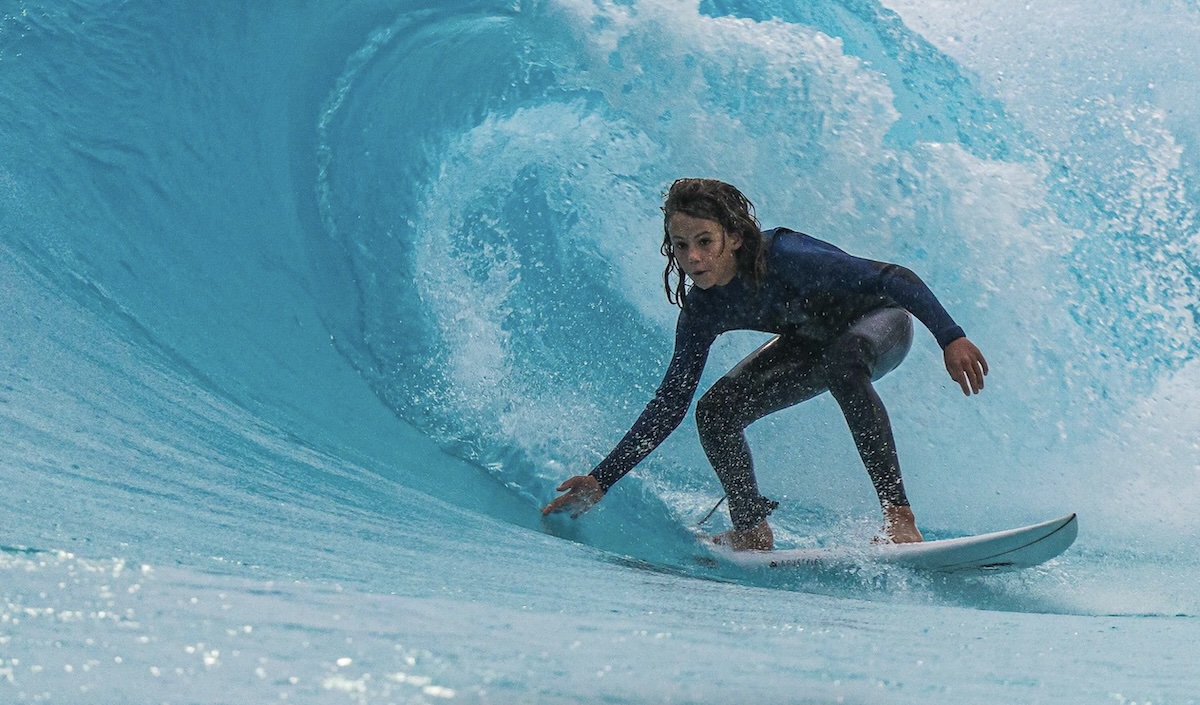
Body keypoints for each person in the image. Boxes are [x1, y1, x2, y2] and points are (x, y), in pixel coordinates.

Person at [541, 178, 987, 550]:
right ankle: (751, 527)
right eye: (681, 246)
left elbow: (895, 278)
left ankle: (899, 519)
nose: (693, 258)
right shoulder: (703, 310)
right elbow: (671, 401)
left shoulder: (787, 256)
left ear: (733, 238)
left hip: (880, 324)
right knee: (714, 412)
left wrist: (951, 336)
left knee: (843, 359)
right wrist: (603, 478)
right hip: (811, 344)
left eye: (704, 242)